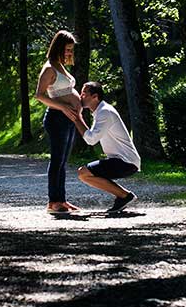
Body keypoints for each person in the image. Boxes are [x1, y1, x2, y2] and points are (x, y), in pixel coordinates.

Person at [66, 81, 140, 213]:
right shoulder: (101, 111)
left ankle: (124, 196)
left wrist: (77, 118)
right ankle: (124, 196)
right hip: (121, 160)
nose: (81, 97)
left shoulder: (105, 112)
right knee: (84, 173)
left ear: (95, 97)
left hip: (126, 162)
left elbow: (91, 140)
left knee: (84, 173)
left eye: (84, 94)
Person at [34, 30, 83, 215]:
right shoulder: (49, 68)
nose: (70, 53)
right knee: (57, 161)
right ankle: (53, 202)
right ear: (58, 48)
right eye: (67, 49)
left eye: (71, 50)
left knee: (63, 161)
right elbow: (39, 95)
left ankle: (61, 200)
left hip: (68, 119)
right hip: (57, 119)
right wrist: (63, 107)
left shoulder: (61, 67)